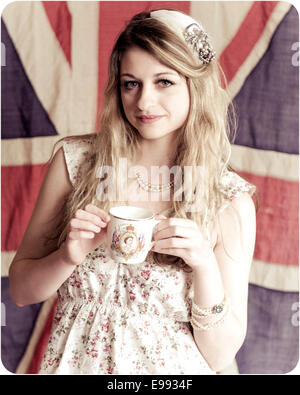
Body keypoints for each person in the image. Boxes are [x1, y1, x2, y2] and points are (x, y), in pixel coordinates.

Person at [9, 9, 256, 374]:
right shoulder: (77, 162)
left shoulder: (227, 197)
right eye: (131, 83)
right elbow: (20, 291)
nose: (143, 102)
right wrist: (68, 255)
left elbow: (219, 356)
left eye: (164, 82)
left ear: (194, 85)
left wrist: (204, 264)